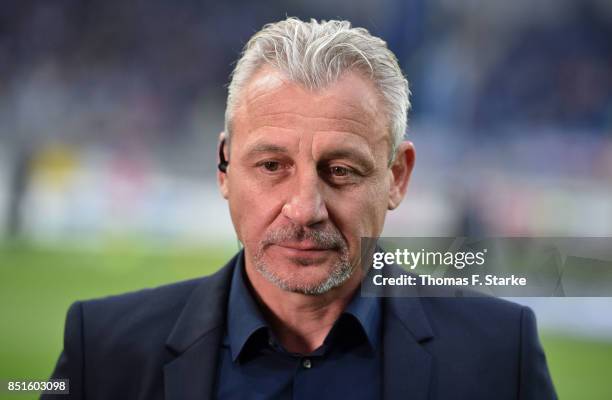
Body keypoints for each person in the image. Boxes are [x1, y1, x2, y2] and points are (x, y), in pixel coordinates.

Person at [43, 17, 557, 399]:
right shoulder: (103, 352)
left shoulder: (498, 356)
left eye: (341, 170)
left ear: (397, 177)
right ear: (224, 168)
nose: (305, 208)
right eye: (271, 166)